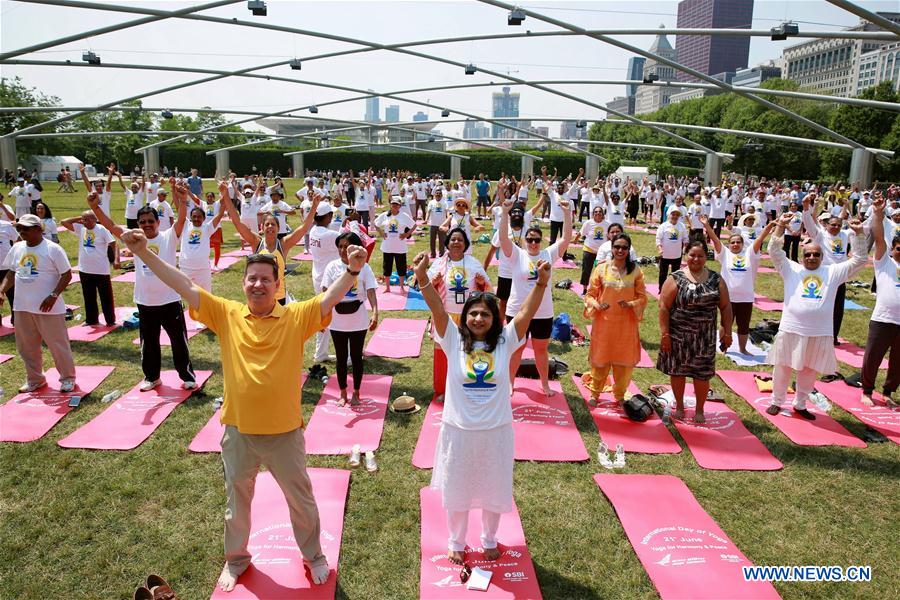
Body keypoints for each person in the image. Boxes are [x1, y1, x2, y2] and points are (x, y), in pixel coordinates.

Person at [118, 228, 368, 592]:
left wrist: (354, 269)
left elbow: (329, 298)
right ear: (243, 284)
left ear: (277, 285)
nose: (258, 285)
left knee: (301, 500)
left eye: (266, 279)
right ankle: (236, 560)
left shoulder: (296, 317)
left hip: (285, 433)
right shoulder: (228, 314)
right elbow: (183, 285)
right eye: (252, 278)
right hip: (239, 432)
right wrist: (144, 253)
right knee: (237, 505)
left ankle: (313, 555)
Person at [413, 248, 551, 565]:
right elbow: (436, 307)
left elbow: (526, 313)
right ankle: (456, 542)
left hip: (496, 431)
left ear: (495, 320)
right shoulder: (452, 338)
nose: (478, 318)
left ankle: (489, 538)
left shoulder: (507, 339)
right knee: (457, 490)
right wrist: (422, 277)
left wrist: (541, 285)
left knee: (494, 489)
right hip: (458, 431)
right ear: (465, 317)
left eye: (485, 314)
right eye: (473, 313)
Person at [88, 190, 196, 392]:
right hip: (145, 301)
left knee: (179, 342)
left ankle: (187, 376)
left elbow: (181, 220)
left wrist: (182, 200)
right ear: (138, 224)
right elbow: (111, 225)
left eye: (150, 221)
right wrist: (95, 207)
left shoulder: (168, 236)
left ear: (158, 222)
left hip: (170, 299)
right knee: (149, 343)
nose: (147, 225)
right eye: (143, 222)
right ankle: (152, 377)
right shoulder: (133, 239)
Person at [765, 213, 867, 420]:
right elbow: (774, 250)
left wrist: (858, 234)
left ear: (822, 257)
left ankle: (801, 404)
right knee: (782, 366)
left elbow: (860, 259)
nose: (812, 257)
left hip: (819, 331)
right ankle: (777, 401)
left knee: (809, 369)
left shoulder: (833, 272)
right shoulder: (791, 269)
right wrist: (781, 226)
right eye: (808, 254)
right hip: (791, 328)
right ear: (802, 256)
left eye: (816, 255)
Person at [499, 192, 572, 396]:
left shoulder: (548, 253)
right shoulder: (516, 254)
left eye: (536, 240)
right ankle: (510, 383)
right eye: (530, 239)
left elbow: (566, 238)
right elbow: (503, 238)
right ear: (524, 241)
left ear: (541, 240)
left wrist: (567, 213)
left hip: (543, 312)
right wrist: (505, 213)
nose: (533, 243)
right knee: (517, 349)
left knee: (541, 350)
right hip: (518, 311)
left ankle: (545, 384)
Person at [657, 239, 733, 423]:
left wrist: (727, 331)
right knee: (678, 371)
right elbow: (664, 307)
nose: (696, 259)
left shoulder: (716, 279)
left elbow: (726, 306)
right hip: (678, 335)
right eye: (692, 255)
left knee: (702, 374)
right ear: (686, 256)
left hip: (704, 337)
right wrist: (665, 334)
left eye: (700, 255)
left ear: (706, 257)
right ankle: (680, 406)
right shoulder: (675, 278)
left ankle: (700, 409)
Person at [0, 214, 76, 393]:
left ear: (38, 229)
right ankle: (35, 379)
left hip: (48, 307)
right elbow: (11, 272)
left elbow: (67, 274)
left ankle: (67, 378)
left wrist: (53, 295)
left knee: (57, 345)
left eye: (25, 228)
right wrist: (2, 290)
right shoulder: (17, 247)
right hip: (22, 307)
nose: (21, 231)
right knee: (27, 347)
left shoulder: (52, 249)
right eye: (19, 228)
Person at [223, 180, 320, 305]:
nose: (270, 226)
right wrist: (226, 195)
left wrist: (314, 207)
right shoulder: (256, 242)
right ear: (262, 228)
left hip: (279, 298)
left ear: (278, 228)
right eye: (267, 224)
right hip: (259, 296)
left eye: (273, 224)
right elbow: (237, 222)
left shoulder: (283, 244)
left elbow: (304, 227)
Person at [427, 228, 491, 403]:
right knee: (442, 353)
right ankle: (442, 390)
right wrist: (433, 283)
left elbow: (488, 288)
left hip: (467, 319)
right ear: (447, 243)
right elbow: (425, 290)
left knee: (467, 352)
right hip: (444, 317)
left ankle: (466, 387)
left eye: (460, 240)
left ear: (465, 245)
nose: (456, 243)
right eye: (453, 240)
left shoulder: (473, 263)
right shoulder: (439, 264)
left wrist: (481, 284)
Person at [583, 233, 647, 405]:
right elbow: (590, 295)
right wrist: (597, 305)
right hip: (604, 323)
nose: (620, 250)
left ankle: (619, 395)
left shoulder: (636, 271)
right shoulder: (601, 269)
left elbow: (643, 298)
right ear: (611, 248)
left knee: (624, 362)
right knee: (600, 358)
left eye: (624, 247)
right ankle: (595, 393)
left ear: (629, 250)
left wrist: (630, 304)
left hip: (626, 325)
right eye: (617, 247)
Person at [701, 215, 774, 354]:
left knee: (743, 325)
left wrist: (769, 227)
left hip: (746, 297)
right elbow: (715, 240)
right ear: (729, 244)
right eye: (732, 242)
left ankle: (743, 349)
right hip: (727, 297)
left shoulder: (749, 254)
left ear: (742, 244)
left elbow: (759, 240)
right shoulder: (725, 254)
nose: (735, 244)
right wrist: (706, 225)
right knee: (725, 323)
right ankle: (724, 348)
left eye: (738, 242)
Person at [321, 232, 379, 406]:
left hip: (358, 320)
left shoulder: (364, 267)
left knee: (356, 357)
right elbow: (325, 293)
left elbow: (370, 291)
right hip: (337, 320)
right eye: (340, 246)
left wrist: (375, 312)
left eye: (346, 246)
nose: (342, 250)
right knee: (341, 358)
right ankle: (343, 393)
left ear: (355, 247)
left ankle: (356, 392)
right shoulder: (332, 266)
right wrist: (321, 317)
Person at [861, 196, 898, 407]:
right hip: (883, 318)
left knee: (898, 363)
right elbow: (878, 235)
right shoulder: (884, 261)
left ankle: (888, 392)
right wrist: (877, 213)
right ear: (893, 249)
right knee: (873, 357)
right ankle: (866, 390)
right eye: (899, 248)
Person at [801, 192, 852, 345]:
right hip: (824, 275)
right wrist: (805, 208)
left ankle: (833, 335)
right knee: (819, 304)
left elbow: (862, 225)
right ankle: (813, 331)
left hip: (840, 276)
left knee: (838, 308)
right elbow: (809, 222)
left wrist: (847, 205)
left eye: (838, 225)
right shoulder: (820, 235)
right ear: (826, 225)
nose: (836, 227)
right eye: (833, 225)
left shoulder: (844, 234)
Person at [60, 209, 119, 327]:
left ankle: (110, 320)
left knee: (105, 296)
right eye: (83, 219)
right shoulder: (81, 229)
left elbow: (113, 243)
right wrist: (79, 218)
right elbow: (64, 222)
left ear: (95, 220)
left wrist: (114, 259)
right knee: (88, 296)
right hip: (85, 268)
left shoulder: (102, 230)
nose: (84, 221)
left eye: (87, 219)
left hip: (101, 269)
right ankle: (91, 320)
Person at [176, 184, 226, 292]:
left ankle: (216, 264)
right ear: (190, 217)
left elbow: (221, 213)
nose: (196, 219)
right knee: (182, 295)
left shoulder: (207, 228)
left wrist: (225, 192)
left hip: (203, 269)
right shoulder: (185, 225)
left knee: (206, 296)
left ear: (204, 218)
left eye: (199, 217)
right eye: (194, 216)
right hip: (186, 267)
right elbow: (179, 207)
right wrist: (177, 193)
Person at [374, 197, 417, 293]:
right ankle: (387, 287)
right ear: (390, 204)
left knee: (401, 267)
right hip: (387, 246)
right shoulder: (385, 215)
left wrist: (406, 234)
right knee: (387, 267)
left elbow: (414, 225)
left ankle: (401, 287)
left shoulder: (404, 215)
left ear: (400, 206)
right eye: (393, 204)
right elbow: (375, 223)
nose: (395, 206)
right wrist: (381, 232)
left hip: (400, 247)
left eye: (397, 204)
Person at [576, 205, 608, 293]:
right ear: (593, 214)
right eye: (596, 212)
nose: (598, 213)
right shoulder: (588, 223)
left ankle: (601, 289)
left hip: (601, 252)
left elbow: (609, 237)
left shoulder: (607, 224)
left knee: (601, 271)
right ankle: (585, 289)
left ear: (603, 214)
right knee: (586, 270)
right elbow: (581, 233)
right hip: (588, 249)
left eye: (600, 212)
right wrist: (575, 240)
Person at [655, 207, 688, 289]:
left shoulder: (681, 226)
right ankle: (661, 289)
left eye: (677, 215)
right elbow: (658, 238)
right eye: (673, 214)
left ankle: (674, 289)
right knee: (663, 274)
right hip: (665, 255)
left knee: (676, 274)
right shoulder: (663, 226)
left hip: (677, 255)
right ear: (669, 215)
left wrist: (685, 248)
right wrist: (660, 249)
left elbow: (685, 239)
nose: (675, 216)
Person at [0, 198, 18, 328]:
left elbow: (19, 239)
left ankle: (16, 319)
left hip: (6, 265)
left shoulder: (6, 225)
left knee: (12, 294)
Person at [426, 187, 448, 258]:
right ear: (434, 194)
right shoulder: (431, 202)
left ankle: (442, 254)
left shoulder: (444, 202)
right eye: (437, 193)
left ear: (441, 195)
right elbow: (428, 211)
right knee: (432, 240)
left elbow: (447, 212)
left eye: (439, 194)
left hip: (442, 225)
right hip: (433, 224)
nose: (438, 194)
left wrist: (448, 220)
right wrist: (426, 219)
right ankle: (433, 254)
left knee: (442, 240)